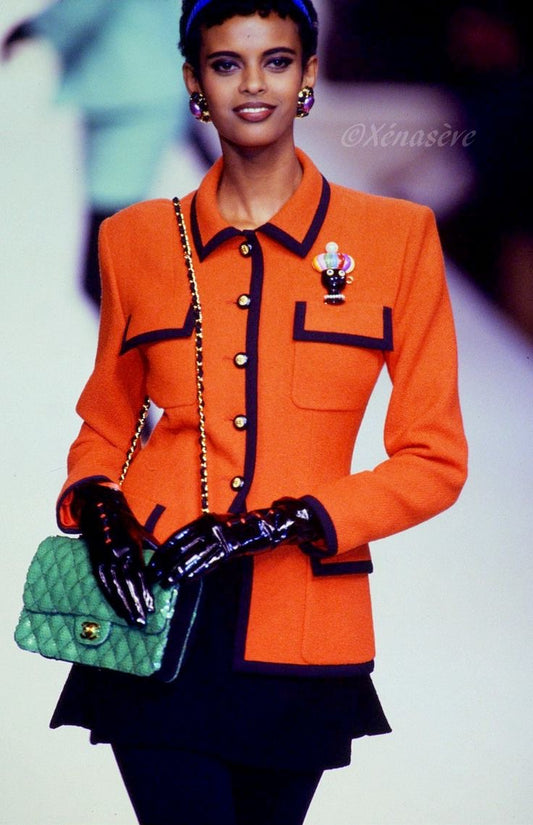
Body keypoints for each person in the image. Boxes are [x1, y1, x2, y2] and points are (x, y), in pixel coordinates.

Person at [49, 1, 468, 823]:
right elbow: (106, 421)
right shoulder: (135, 240)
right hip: (153, 610)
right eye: (225, 63)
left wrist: (286, 520)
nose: (252, 85)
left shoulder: (395, 238)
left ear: (308, 76)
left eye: (275, 61)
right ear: (192, 82)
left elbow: (434, 458)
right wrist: (96, 504)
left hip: (301, 626)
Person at [2, 0, 189, 308]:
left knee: (104, 273)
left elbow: (83, 6)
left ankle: (173, 334)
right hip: (157, 88)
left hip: (128, 100)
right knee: (114, 267)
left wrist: (34, 29)